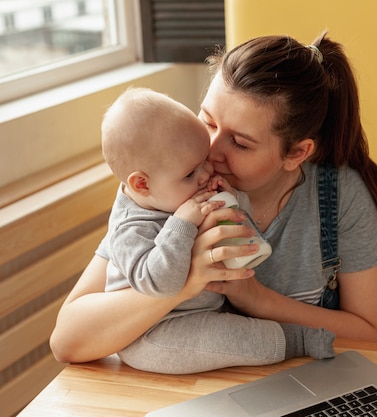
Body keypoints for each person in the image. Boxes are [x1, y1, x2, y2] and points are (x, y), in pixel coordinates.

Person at [50, 30, 377, 373]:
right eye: (208, 121)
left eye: (240, 143)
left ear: (297, 153)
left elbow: (372, 334)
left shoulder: (338, 197)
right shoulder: (165, 187)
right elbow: (67, 341)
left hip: (302, 387)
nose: (210, 152)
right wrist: (186, 282)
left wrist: (257, 298)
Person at [97, 87, 335, 373]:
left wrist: (231, 197)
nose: (207, 174)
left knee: (239, 333)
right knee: (241, 340)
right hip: (155, 333)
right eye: (190, 174)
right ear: (142, 185)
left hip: (207, 311)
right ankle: (298, 341)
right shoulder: (130, 227)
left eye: (203, 163)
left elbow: (238, 225)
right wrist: (182, 223)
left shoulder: (168, 188)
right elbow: (161, 284)